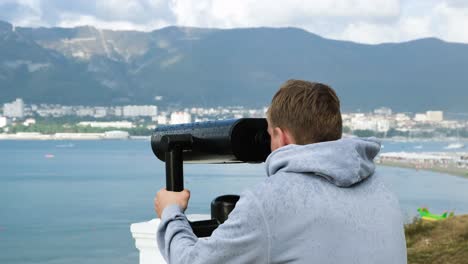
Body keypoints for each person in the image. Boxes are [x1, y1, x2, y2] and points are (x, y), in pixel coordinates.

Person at [154, 80, 407, 264]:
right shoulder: (381, 189)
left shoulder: (271, 201)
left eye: (269, 136)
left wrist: (171, 212)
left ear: (281, 136)